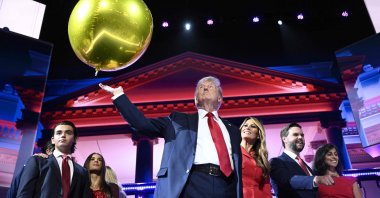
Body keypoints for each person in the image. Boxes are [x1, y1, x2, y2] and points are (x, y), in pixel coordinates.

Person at [99, 76, 243, 198]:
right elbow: (142, 125)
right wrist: (119, 96)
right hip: (192, 183)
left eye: (210, 86)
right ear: (195, 99)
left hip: (226, 186)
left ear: (220, 98)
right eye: (200, 87)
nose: (204, 88)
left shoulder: (234, 131)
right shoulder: (177, 121)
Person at [15, 120, 91, 198]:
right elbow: (24, 193)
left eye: (68, 132)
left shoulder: (82, 172)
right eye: (59, 133)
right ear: (53, 140)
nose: (63, 135)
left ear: (74, 139)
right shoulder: (37, 161)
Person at [270, 122, 335, 198]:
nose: (300, 137)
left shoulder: (305, 166)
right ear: (284, 139)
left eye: (302, 135)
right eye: (295, 134)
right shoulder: (276, 162)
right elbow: (288, 181)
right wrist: (316, 179)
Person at [240, 117, 272, 198]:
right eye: (245, 125)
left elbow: (266, 187)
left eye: (253, 126)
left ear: (258, 135)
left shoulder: (261, 159)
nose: (247, 127)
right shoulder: (233, 152)